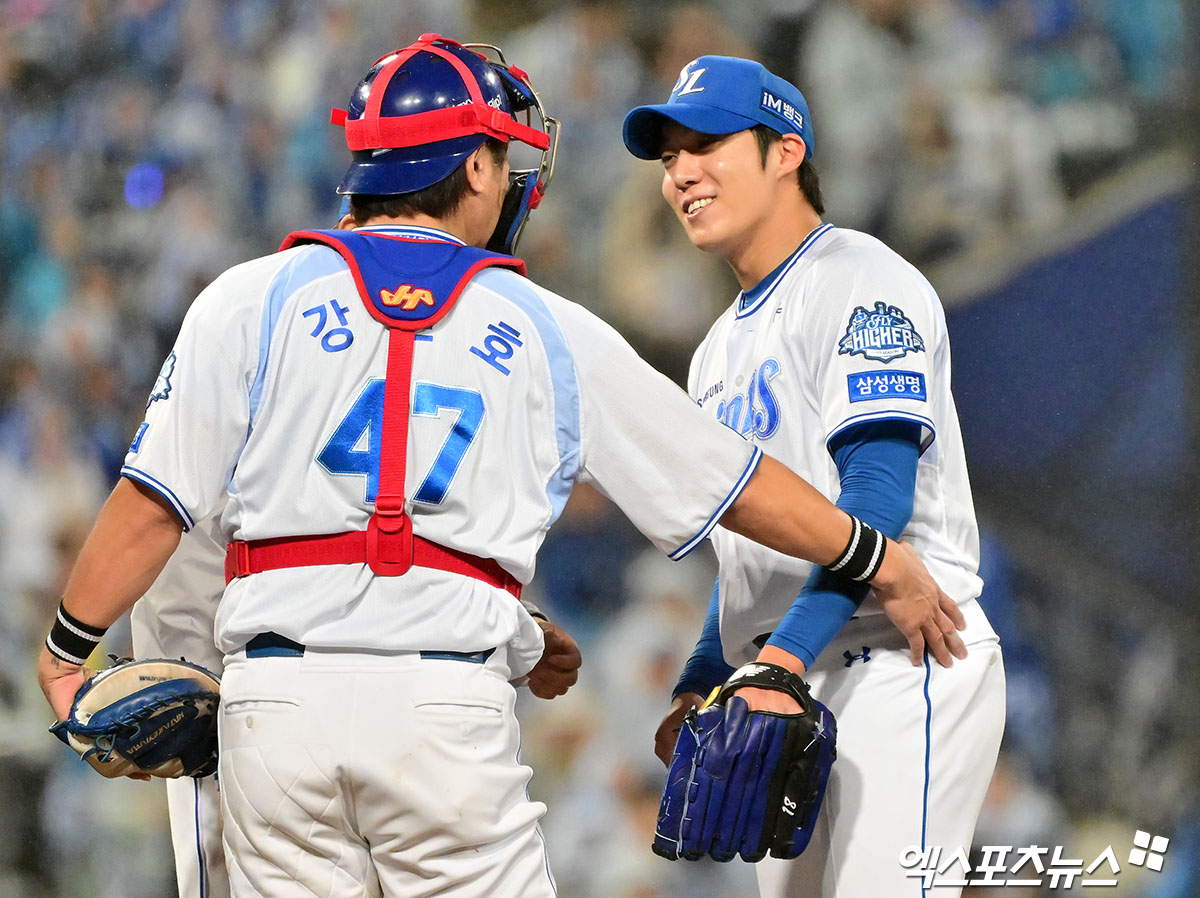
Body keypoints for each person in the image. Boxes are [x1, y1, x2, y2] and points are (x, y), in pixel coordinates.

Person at [39, 35, 963, 898]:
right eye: (506, 161)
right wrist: (875, 555)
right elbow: (740, 488)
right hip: (443, 713)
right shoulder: (541, 325)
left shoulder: (248, 298)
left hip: (274, 710)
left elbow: (151, 509)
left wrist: (65, 652)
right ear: (475, 167)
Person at [623, 55, 1005, 897]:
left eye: (707, 145)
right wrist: (701, 679)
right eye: (669, 157)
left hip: (905, 657)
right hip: (789, 673)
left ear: (786, 151)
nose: (681, 172)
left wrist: (781, 662)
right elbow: (754, 545)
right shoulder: (714, 350)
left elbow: (878, 495)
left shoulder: (861, 281)